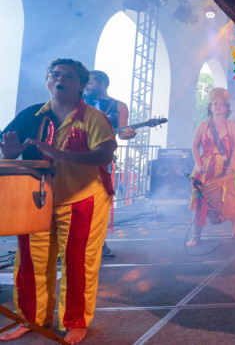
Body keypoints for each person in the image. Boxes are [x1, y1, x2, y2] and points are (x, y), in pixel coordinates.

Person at [0, 59, 117, 344]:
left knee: (78, 263)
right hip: (36, 201)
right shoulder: (31, 115)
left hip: (82, 199)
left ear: (80, 84)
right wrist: (10, 152)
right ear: (47, 80)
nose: (59, 79)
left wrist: (60, 153)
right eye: (54, 74)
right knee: (30, 263)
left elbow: (105, 154)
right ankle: (32, 319)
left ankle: (75, 321)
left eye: (68, 76)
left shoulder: (92, 117)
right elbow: (9, 155)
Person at [187, 87, 235, 246]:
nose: (218, 106)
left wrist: (230, 165)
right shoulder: (203, 125)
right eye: (215, 103)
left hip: (229, 167)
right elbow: (194, 146)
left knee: (234, 197)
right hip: (206, 168)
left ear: (226, 108)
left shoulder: (232, 125)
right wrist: (199, 163)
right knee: (199, 200)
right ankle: (196, 236)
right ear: (210, 106)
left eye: (222, 104)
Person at [83, 70, 136, 258]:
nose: (86, 86)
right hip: (75, 158)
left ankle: (99, 243)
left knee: (99, 201)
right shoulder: (78, 101)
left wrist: (128, 134)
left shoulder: (119, 106)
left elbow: (121, 133)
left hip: (102, 159)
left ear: (102, 84)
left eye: (89, 83)